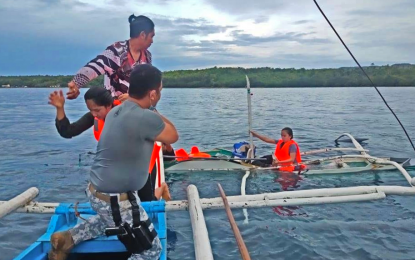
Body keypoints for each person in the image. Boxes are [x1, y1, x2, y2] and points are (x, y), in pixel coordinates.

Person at [48, 64, 178, 260]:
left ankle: (69, 238)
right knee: (151, 251)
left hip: (96, 192)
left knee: (110, 219)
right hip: (115, 198)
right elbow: (173, 135)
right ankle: (71, 237)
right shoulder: (143, 116)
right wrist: (152, 108)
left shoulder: (116, 112)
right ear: (153, 94)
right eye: (160, 90)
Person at [48, 86, 171, 201]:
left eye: (97, 110)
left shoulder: (129, 111)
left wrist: (137, 102)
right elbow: (68, 131)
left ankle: (161, 188)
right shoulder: (95, 116)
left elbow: (156, 119)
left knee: (146, 202)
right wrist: (60, 108)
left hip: (141, 161)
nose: (94, 114)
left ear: (108, 106)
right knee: (118, 200)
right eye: (91, 110)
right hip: (117, 164)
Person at [66, 14, 155, 101]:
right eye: (151, 36)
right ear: (143, 35)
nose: (152, 41)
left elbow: (146, 84)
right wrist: (76, 83)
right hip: (115, 108)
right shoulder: (117, 51)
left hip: (137, 106)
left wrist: (133, 97)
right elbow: (95, 66)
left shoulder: (147, 56)